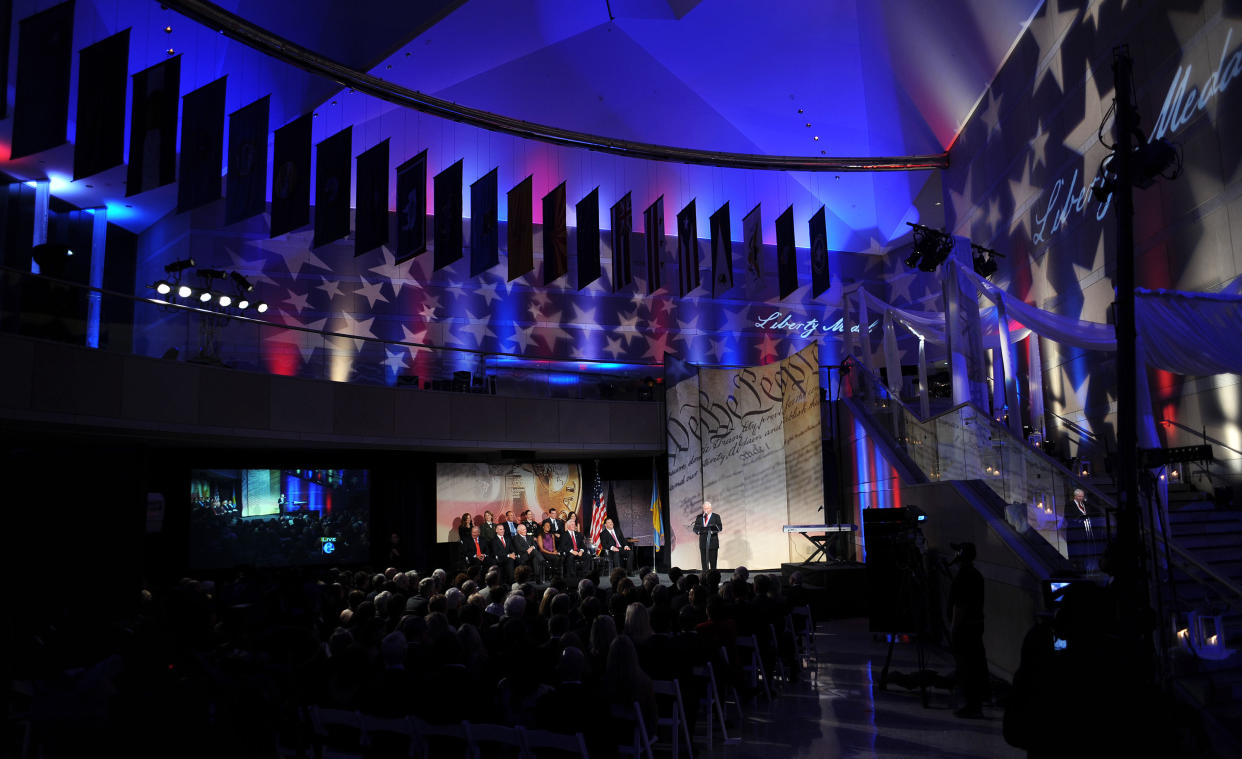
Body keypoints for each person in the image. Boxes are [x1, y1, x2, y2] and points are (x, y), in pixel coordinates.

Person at [948, 541, 988, 718]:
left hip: (965, 628)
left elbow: (960, 606)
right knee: (975, 664)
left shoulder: (963, 577)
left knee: (966, 666)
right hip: (976, 625)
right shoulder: (976, 575)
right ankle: (976, 702)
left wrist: (954, 629)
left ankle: (971, 704)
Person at [693, 500, 722, 571]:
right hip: (703, 543)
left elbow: (720, 527)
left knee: (713, 563)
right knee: (704, 564)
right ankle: (705, 578)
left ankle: (713, 578)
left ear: (711, 508)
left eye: (707, 508)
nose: (705, 510)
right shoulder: (699, 517)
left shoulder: (716, 516)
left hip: (712, 543)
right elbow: (695, 528)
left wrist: (712, 531)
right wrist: (698, 531)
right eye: (704, 508)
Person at [559, 516, 589, 581]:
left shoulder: (578, 534)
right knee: (571, 558)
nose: (574, 526)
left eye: (574, 524)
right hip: (570, 553)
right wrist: (571, 551)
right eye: (572, 524)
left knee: (587, 556)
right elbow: (563, 546)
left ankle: (585, 575)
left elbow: (583, 545)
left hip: (578, 552)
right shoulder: (564, 535)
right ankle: (573, 576)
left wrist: (581, 551)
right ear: (568, 526)